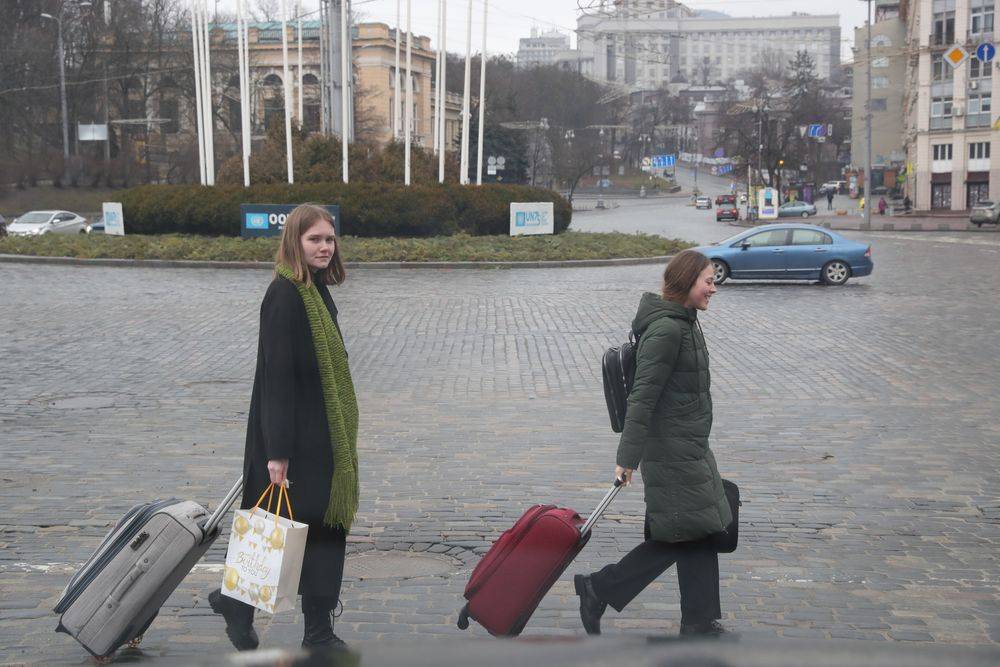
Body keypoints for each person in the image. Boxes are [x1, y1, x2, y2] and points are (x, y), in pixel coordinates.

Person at [209, 204, 359, 651]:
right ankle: (238, 603)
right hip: (290, 441)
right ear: (294, 241)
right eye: (315, 239)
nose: (325, 247)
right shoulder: (284, 295)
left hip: (323, 439)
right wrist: (277, 451)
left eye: (329, 240)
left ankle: (316, 630)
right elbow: (276, 375)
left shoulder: (316, 291)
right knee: (275, 534)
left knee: (325, 534)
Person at [574, 250, 732, 638]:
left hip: (690, 445)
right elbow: (642, 398)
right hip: (671, 450)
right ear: (685, 282)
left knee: (700, 528)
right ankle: (599, 587)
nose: (714, 288)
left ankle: (699, 621)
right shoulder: (667, 331)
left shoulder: (685, 321)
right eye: (708, 281)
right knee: (683, 530)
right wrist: (626, 459)